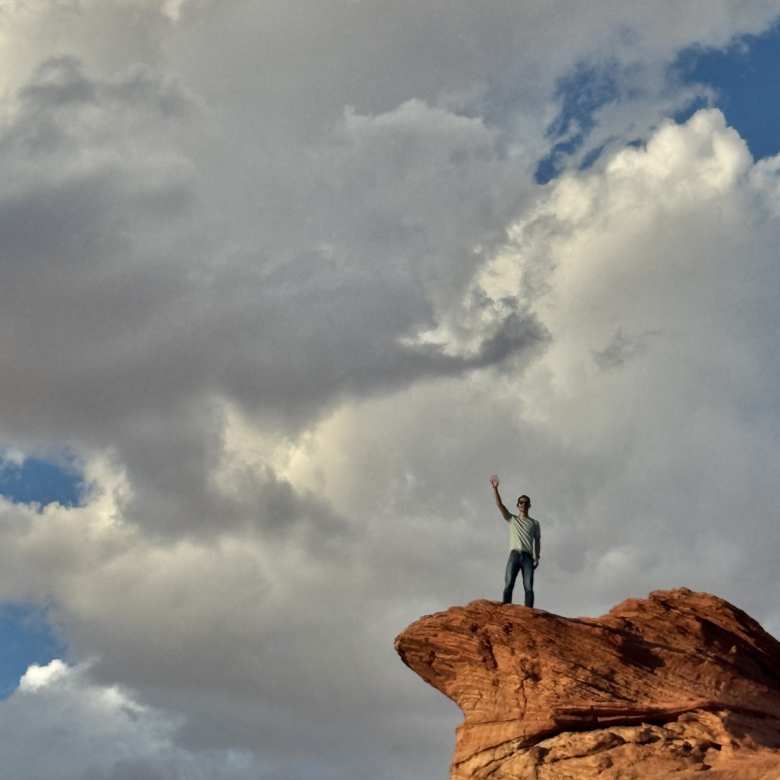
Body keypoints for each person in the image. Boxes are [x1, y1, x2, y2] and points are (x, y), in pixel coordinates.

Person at [489, 475, 541, 607]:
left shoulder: (534, 523)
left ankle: (529, 614)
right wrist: (495, 489)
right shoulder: (512, 519)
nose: (523, 504)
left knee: (528, 586)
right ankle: (506, 611)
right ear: (517, 505)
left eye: (526, 502)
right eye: (521, 502)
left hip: (528, 557)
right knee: (508, 583)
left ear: (529, 505)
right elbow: (500, 505)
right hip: (514, 554)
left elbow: (537, 541)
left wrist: (537, 557)